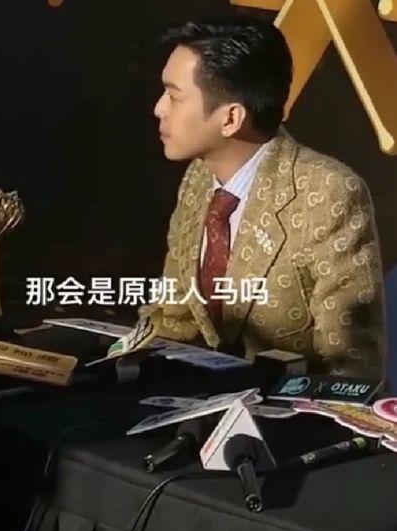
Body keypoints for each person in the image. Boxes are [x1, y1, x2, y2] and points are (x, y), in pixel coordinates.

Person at [136, 17, 385, 381]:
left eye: (174, 97)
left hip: (292, 408)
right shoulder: (199, 178)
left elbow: (352, 367)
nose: (159, 108)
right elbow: (176, 319)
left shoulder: (327, 193)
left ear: (231, 118)